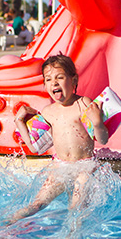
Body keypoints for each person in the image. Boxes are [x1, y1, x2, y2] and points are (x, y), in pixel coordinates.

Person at [12, 55, 106, 222]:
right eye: (48, 79)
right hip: (60, 167)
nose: (54, 83)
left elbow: (102, 139)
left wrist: (98, 122)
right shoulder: (48, 112)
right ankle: (8, 223)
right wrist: (19, 121)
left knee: (75, 209)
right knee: (36, 205)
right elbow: (34, 148)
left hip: (85, 166)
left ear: (74, 80)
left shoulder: (84, 104)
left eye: (60, 77)